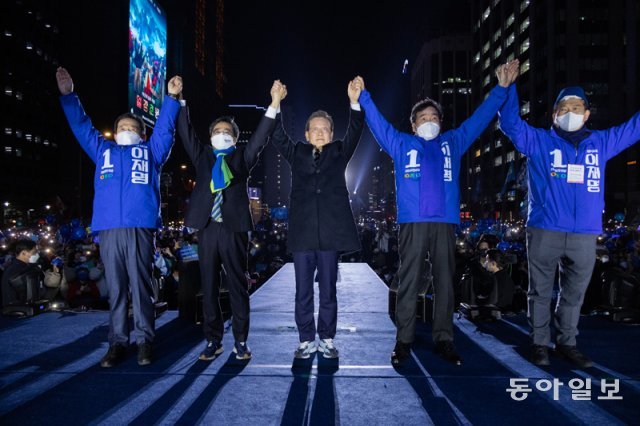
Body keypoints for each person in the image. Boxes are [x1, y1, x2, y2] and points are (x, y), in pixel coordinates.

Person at [354, 61, 518, 366]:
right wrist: (365, 98)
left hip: (444, 223)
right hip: (413, 222)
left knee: (445, 281)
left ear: (440, 122)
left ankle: (444, 338)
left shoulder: (453, 142)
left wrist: (502, 88)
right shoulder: (402, 143)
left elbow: (480, 118)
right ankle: (404, 340)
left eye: (433, 117)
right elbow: (379, 125)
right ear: (414, 125)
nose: (429, 121)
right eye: (422, 118)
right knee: (409, 280)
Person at [498, 66, 640, 368]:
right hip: (545, 229)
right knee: (539, 291)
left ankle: (567, 342)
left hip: (584, 233)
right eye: (564, 108)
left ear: (587, 114)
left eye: (577, 107)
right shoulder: (538, 141)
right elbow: (510, 124)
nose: (570, 112)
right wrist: (509, 89)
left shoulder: (601, 143)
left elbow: (634, 128)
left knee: (574, 293)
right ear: (554, 115)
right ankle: (539, 343)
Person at [57, 67, 182, 367]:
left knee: (140, 287)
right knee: (116, 288)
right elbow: (82, 127)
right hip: (109, 227)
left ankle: (145, 342)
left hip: (141, 226)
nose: (127, 129)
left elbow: (165, 129)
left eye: (132, 127)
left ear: (141, 133)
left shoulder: (151, 152)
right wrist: (69, 96)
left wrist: (171, 98)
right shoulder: (103, 151)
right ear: (114, 132)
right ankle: (117, 342)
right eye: (122, 126)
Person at [177, 79, 285, 361]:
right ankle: (213, 340)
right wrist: (180, 101)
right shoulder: (201, 156)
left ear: (235, 139)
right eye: (217, 131)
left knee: (237, 285)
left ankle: (240, 340)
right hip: (207, 227)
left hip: (234, 227)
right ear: (210, 136)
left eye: (227, 132)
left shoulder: (241, 158)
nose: (221, 134)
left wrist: (274, 105)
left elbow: (260, 138)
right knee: (209, 285)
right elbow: (186, 133)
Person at [270, 79, 364, 359]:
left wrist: (354, 102)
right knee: (302, 290)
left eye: (325, 128)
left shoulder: (338, 151)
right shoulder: (296, 151)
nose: (320, 132)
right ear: (307, 133)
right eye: (316, 129)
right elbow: (277, 135)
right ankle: (305, 339)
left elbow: (356, 131)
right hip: (302, 233)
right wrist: (276, 102)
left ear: (332, 133)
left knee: (328, 290)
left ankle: (327, 337)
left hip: (331, 234)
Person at [1, 239, 42, 308]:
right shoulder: (13, 271)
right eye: (34, 252)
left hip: (29, 309)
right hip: (19, 312)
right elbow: (11, 296)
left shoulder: (29, 267)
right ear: (23, 253)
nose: (36, 254)